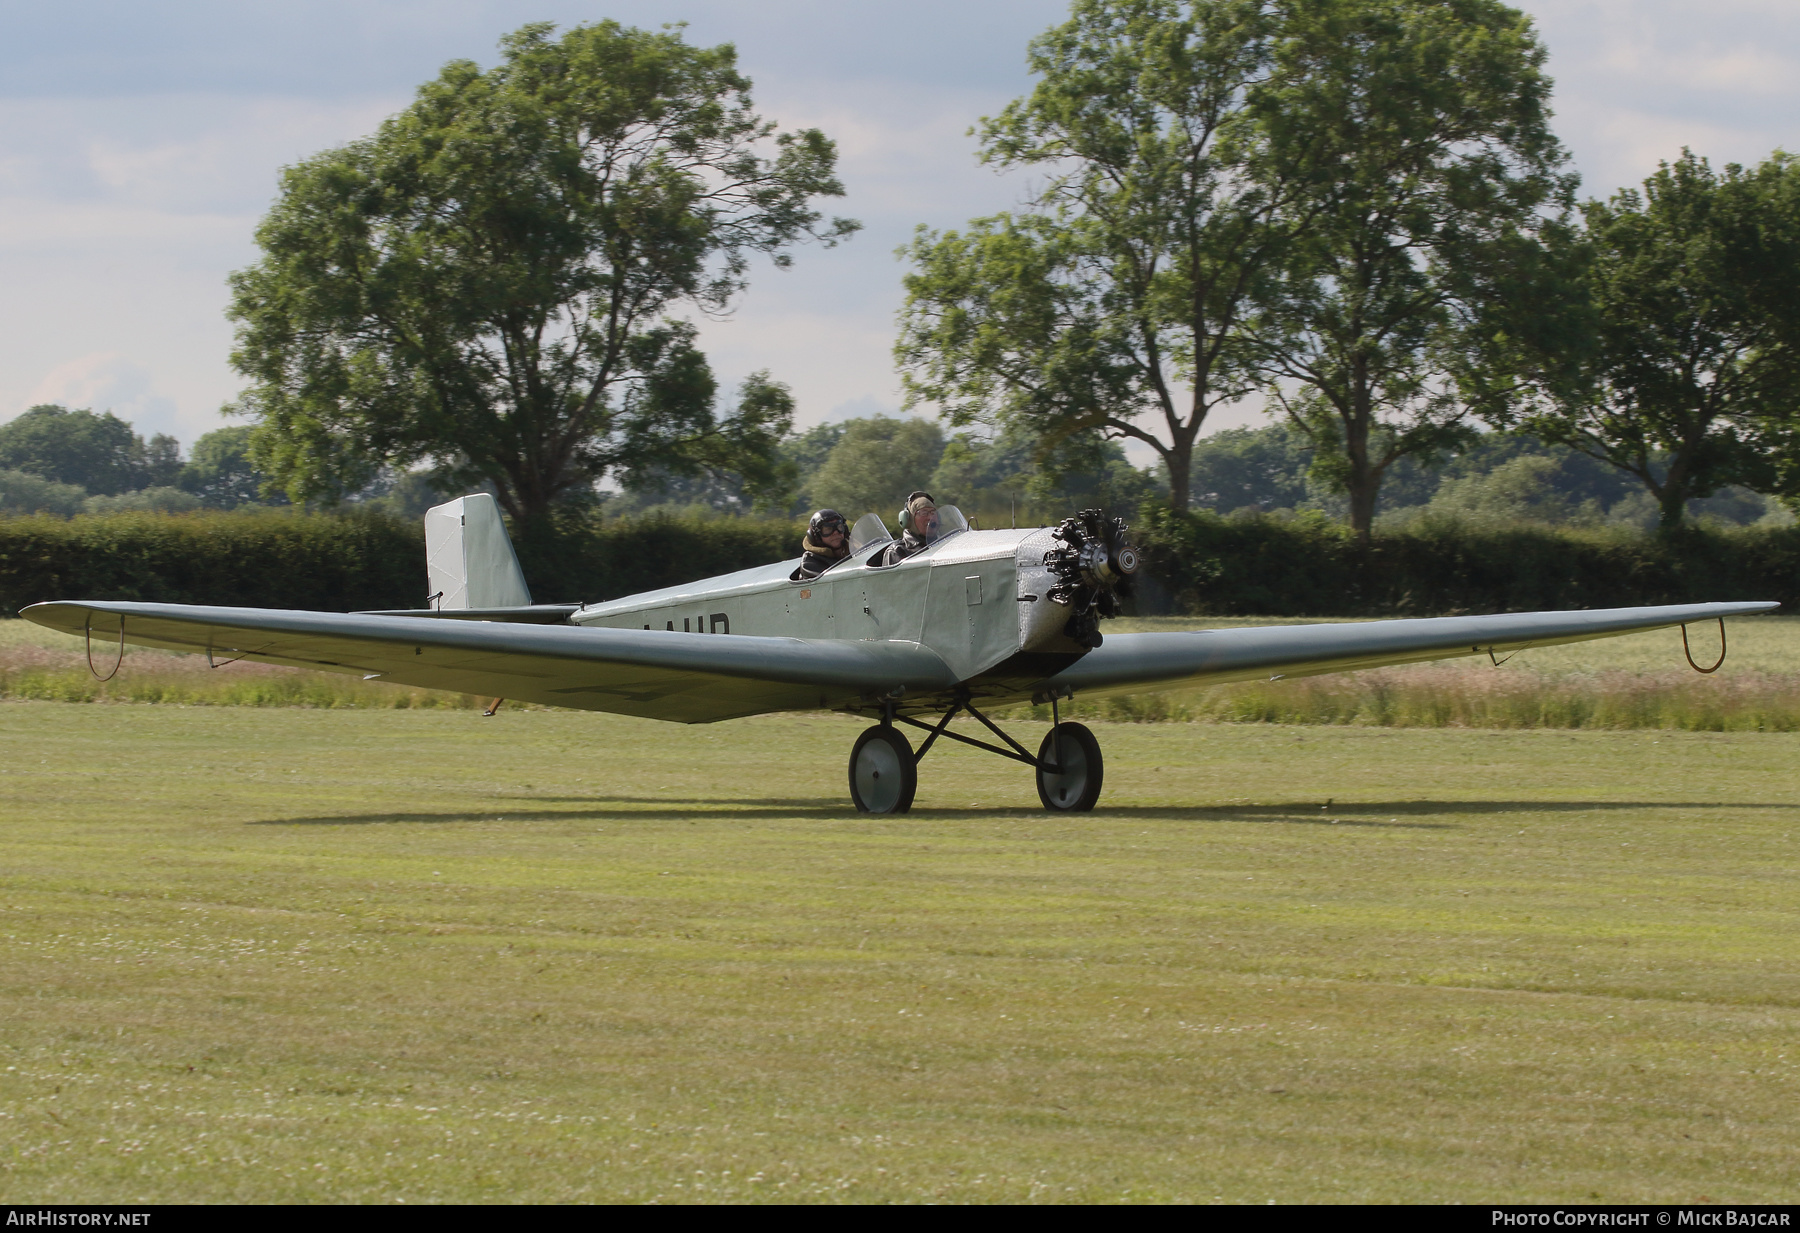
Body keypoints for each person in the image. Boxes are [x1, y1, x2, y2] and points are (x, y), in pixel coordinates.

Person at [880, 491, 939, 566]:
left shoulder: (944, 544)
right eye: (924, 513)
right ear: (909, 520)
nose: (930, 518)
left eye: (933, 513)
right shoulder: (897, 551)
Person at [795, 508, 851, 579]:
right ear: (816, 536)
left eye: (839, 527)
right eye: (828, 529)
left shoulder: (853, 550)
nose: (836, 532)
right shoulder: (810, 564)